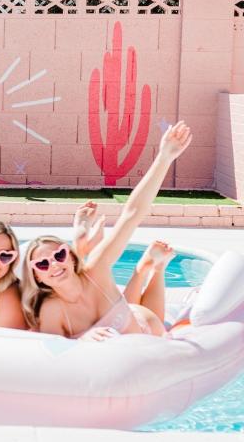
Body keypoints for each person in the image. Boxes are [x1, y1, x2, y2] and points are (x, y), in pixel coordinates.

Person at [20, 121, 193, 340]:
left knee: (142, 311)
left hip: (146, 326)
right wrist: (81, 336)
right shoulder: (51, 310)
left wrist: (164, 157)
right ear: (38, 277)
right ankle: (143, 267)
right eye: (42, 264)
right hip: (122, 320)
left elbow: (131, 215)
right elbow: (55, 356)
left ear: (71, 258)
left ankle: (152, 268)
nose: (53, 264)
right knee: (120, 302)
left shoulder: (96, 269)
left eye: (59, 254)